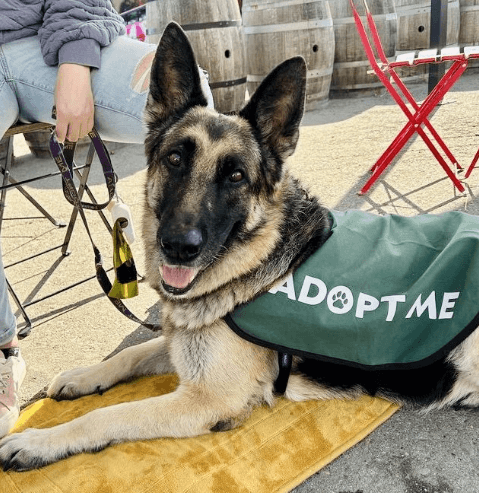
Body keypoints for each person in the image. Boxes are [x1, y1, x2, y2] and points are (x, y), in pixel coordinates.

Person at [0, 0, 213, 438]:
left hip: (48, 32)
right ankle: (4, 349)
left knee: (197, 112)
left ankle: (213, 292)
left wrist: (76, 56)